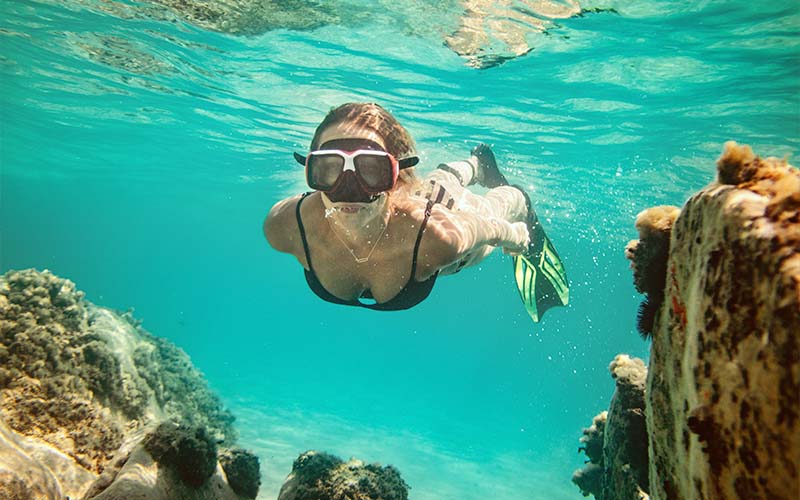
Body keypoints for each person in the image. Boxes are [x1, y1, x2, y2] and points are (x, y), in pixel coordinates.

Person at [264, 102, 567, 317]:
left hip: (441, 232)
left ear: (397, 176)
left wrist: (517, 235)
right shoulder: (285, 225)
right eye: (328, 169)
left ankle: (501, 184)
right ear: (311, 169)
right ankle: (476, 165)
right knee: (437, 183)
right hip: (411, 212)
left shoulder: (438, 236)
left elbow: (488, 227)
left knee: (485, 205)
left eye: (371, 170)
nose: (349, 190)